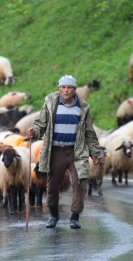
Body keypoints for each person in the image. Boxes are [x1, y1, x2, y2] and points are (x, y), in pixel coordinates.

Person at [26, 75, 101, 229]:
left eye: (70, 87)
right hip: (56, 150)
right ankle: (53, 215)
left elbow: (89, 132)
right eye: (63, 87)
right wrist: (34, 131)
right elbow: (41, 123)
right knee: (53, 185)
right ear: (59, 88)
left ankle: (75, 217)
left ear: (74, 89)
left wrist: (95, 152)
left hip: (76, 150)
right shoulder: (51, 103)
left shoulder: (83, 107)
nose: (66, 90)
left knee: (80, 182)